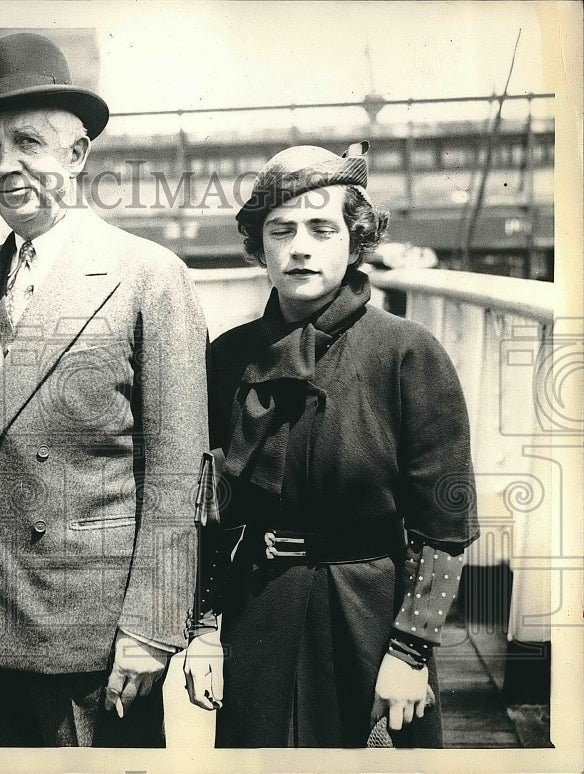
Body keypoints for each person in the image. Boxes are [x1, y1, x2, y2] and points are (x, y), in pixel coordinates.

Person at [0, 32, 209, 747]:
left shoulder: (146, 276)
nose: (5, 165)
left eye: (28, 142)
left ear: (75, 155)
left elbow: (176, 475)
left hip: (96, 638)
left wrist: (151, 627)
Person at [183, 144, 479, 747]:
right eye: (281, 229)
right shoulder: (228, 359)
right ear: (258, 245)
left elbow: (445, 529)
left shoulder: (407, 353)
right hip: (258, 614)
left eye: (322, 227)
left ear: (355, 238)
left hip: (370, 620)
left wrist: (411, 653)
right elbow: (211, 512)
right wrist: (205, 632)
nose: (300, 246)